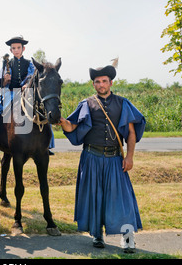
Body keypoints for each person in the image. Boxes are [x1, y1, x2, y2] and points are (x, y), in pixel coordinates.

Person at [57, 62, 146, 253]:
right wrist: (62, 121)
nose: (101, 85)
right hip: (91, 158)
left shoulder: (123, 104)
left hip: (115, 159)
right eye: (97, 82)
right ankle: (97, 235)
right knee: (94, 198)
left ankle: (128, 237)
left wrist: (129, 157)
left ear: (111, 83)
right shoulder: (86, 104)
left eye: (104, 81)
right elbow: (72, 127)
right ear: (93, 85)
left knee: (122, 200)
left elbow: (131, 133)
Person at [0, 36, 55, 152]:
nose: (16, 50)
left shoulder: (29, 64)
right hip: (9, 92)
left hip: (26, 92)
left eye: (18, 48)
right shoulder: (7, 63)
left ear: (23, 49)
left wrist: (26, 84)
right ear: (10, 50)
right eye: (13, 48)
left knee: (43, 112)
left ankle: (47, 144)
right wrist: (5, 80)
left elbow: (32, 77)